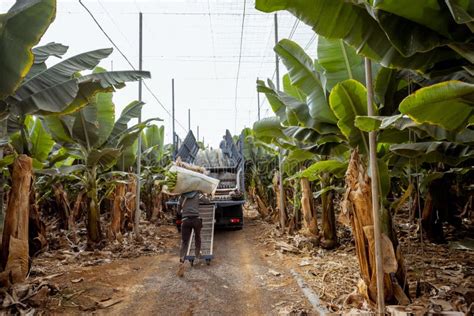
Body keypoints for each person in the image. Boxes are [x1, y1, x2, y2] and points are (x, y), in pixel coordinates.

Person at [177, 190, 209, 277]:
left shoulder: (182, 196)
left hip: (185, 220)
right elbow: (207, 201)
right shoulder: (198, 195)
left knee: (184, 241)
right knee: (197, 237)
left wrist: (184, 212)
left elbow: (178, 210)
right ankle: (197, 254)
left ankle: (181, 260)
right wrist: (202, 194)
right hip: (196, 219)